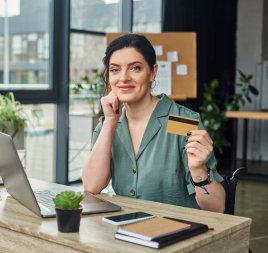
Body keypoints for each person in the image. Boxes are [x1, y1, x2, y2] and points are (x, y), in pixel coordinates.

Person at [82, 34, 226, 213]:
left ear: (152, 72)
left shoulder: (180, 122)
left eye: (135, 68)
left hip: (178, 231)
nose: (124, 78)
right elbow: (92, 186)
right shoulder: (108, 122)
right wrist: (110, 122)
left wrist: (198, 169)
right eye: (115, 69)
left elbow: (217, 208)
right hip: (125, 231)